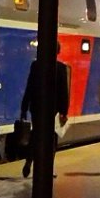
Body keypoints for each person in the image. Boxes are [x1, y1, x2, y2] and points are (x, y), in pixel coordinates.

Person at [20, 42, 70, 179]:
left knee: (36, 135)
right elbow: (63, 92)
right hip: (52, 109)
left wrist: (24, 107)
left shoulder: (36, 65)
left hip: (37, 107)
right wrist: (64, 111)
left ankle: (29, 161)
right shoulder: (61, 68)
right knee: (52, 139)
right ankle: (49, 167)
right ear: (58, 52)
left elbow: (29, 86)